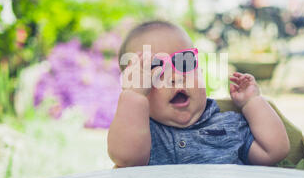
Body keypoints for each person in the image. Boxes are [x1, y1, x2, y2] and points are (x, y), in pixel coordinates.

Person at [107, 21, 289, 168]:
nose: (176, 77)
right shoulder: (143, 135)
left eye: (184, 61)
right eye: (155, 69)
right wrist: (133, 97)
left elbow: (274, 152)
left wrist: (252, 102)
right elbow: (126, 159)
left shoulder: (228, 124)